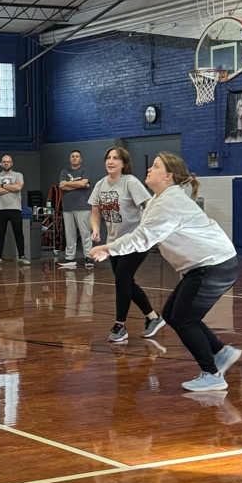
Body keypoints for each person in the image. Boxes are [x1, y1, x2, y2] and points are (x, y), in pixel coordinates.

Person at [90, 152, 242, 393]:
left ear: (168, 176)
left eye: (155, 166)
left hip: (214, 265)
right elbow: (143, 233)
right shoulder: (159, 200)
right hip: (205, 266)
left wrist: (108, 249)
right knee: (172, 314)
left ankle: (212, 374)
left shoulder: (168, 203)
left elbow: (142, 238)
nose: (149, 169)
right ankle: (221, 352)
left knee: (183, 319)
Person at [89, 147, 163, 344]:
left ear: (124, 163)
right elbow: (95, 211)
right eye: (108, 158)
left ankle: (120, 325)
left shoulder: (130, 182)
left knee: (122, 279)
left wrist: (154, 230)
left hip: (136, 241)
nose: (111, 161)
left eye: (116, 158)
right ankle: (153, 317)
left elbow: (149, 206)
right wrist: (95, 229)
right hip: (114, 243)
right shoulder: (100, 185)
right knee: (126, 282)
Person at [0, 154, 30, 266]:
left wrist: (3, 186)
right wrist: (12, 187)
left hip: (15, 208)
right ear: (1, 163)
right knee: (0, 233)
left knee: (18, 233)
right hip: (1, 209)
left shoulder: (18, 175)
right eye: (4, 162)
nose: (6, 163)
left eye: (8, 162)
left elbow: (18, 187)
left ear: (11, 163)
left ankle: (22, 256)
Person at [58, 149, 93, 269]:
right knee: (69, 234)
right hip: (68, 207)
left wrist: (68, 183)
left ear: (81, 159)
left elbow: (82, 183)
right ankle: (70, 258)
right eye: (72, 156)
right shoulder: (64, 172)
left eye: (77, 156)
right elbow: (63, 186)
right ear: (70, 159)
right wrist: (81, 184)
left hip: (83, 207)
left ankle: (88, 257)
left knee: (85, 233)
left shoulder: (85, 171)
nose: (74, 158)